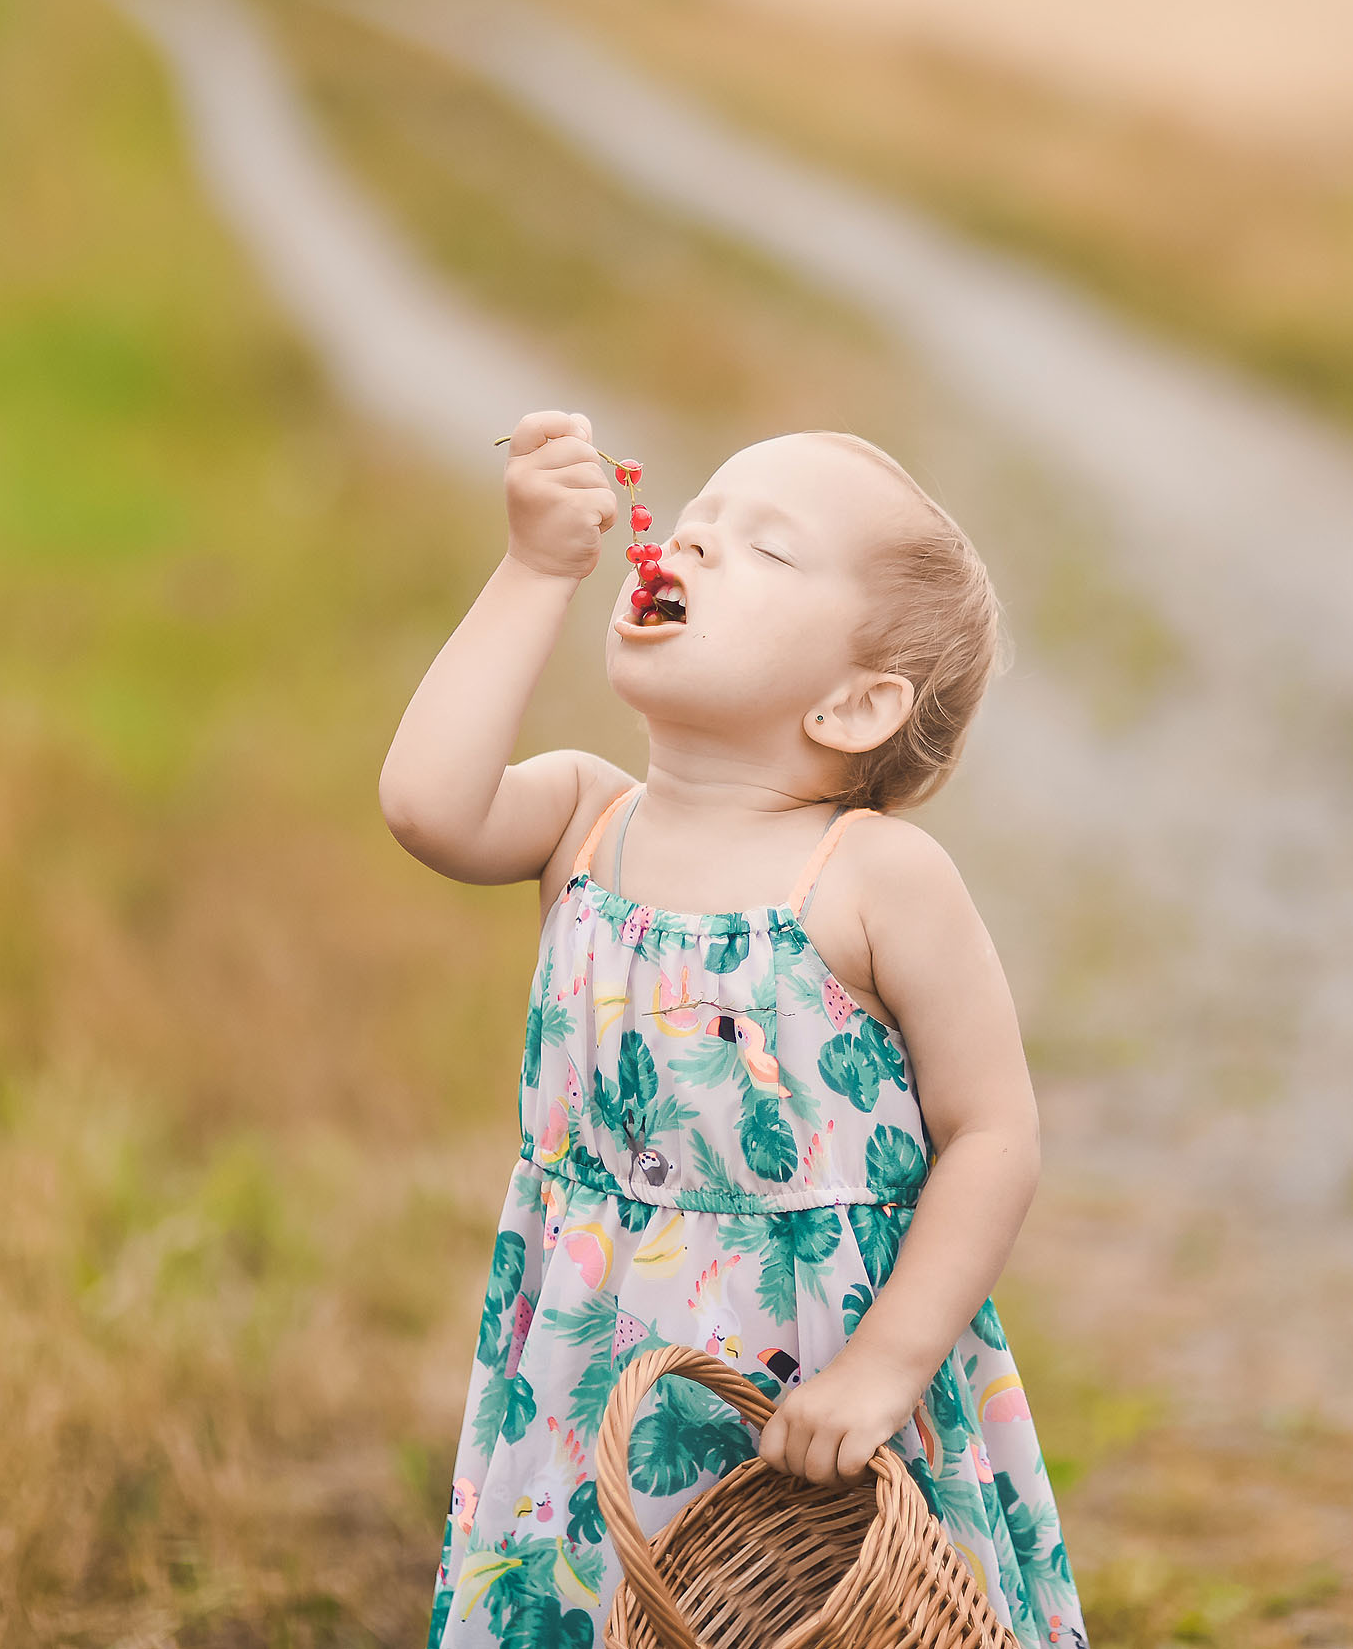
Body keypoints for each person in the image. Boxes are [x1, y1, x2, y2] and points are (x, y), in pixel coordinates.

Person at [382, 412, 1084, 1647]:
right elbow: (425, 806)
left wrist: (884, 1367)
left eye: (764, 549)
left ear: (857, 704)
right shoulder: (585, 821)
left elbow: (993, 1132)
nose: (696, 542)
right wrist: (536, 568)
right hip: (595, 1396)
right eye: (699, 518)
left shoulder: (872, 877)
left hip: (822, 1402)